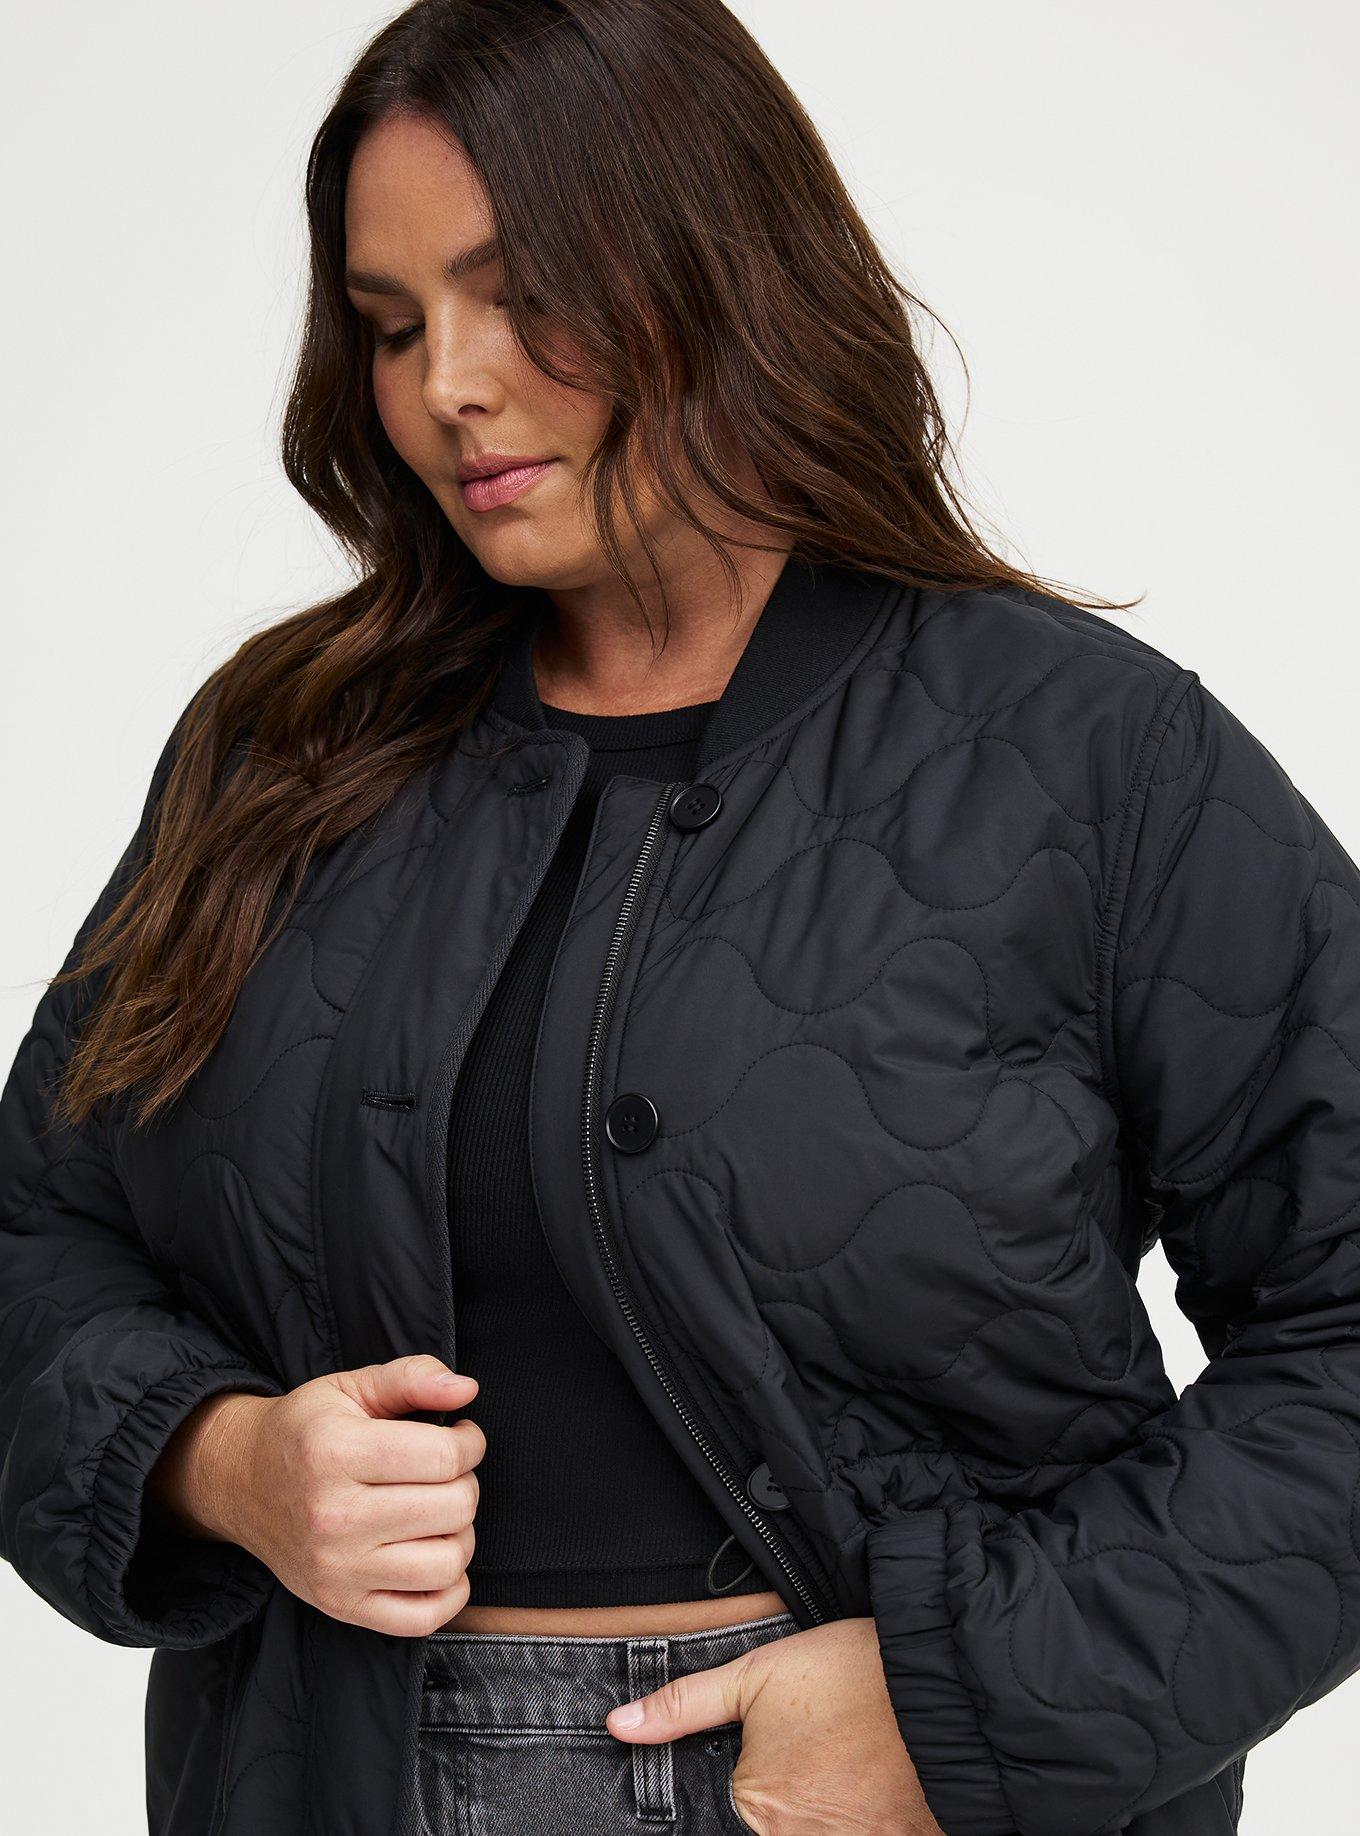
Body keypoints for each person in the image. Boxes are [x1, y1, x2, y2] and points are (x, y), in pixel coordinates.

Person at [3, 2, 1358, 1832]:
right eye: (390, 326)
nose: (448, 385)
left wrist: (963, 1705)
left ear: (712, 265)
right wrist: (217, 1461)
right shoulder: (281, 754)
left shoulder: (1086, 757)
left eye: (517, 297)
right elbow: (39, 1237)